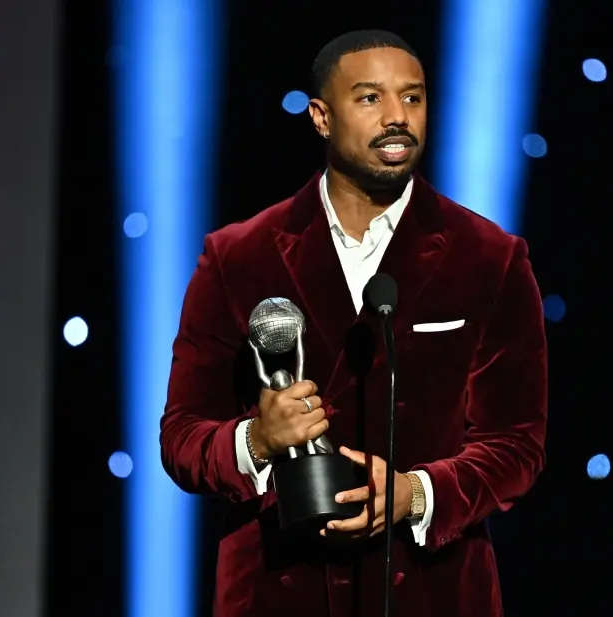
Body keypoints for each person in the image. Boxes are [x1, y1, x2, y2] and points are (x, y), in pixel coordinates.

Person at [160, 29, 548, 617]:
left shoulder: (489, 258)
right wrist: (256, 440)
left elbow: (517, 444)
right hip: (278, 590)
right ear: (320, 116)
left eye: (412, 98)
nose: (398, 117)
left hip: (431, 591)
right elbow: (183, 436)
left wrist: (414, 494)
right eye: (370, 98)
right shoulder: (238, 257)